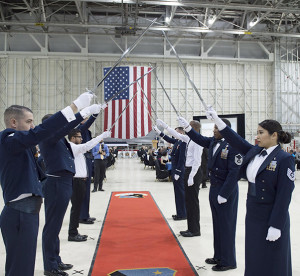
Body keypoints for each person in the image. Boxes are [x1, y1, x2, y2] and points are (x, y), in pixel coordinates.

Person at [0, 92, 93, 276]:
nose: (33, 126)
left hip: (27, 211)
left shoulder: (20, 146)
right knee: (20, 267)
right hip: (19, 212)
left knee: (24, 264)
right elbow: (42, 131)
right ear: (13, 123)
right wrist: (74, 107)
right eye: (28, 122)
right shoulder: (8, 139)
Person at [206, 107, 295, 276]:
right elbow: (236, 140)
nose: (257, 136)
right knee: (254, 254)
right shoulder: (255, 151)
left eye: (261, 133)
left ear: (274, 135)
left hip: (271, 214)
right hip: (253, 212)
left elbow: (284, 196)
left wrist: (276, 225)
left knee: (273, 257)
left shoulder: (284, 159)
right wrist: (218, 120)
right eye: (257, 132)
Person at [40, 103, 104, 276]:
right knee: (52, 227)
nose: (62, 127)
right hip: (57, 183)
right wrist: (84, 111)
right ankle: (50, 266)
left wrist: (92, 117)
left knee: (56, 226)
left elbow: (76, 130)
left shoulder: (59, 139)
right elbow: (69, 126)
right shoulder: (49, 137)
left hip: (64, 182)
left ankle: (56, 260)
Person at [178, 116, 242, 271]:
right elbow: (198, 138)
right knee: (217, 225)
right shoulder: (213, 141)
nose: (213, 130)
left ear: (225, 130)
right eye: (213, 128)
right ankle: (218, 255)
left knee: (226, 226)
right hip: (214, 188)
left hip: (226, 191)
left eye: (216, 128)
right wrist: (187, 127)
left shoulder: (234, 145)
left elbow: (235, 173)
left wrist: (225, 194)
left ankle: (228, 261)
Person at [157, 119, 203, 237]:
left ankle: (195, 230)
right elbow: (176, 135)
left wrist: (192, 176)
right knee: (188, 201)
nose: (186, 128)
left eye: (188, 127)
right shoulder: (189, 139)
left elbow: (197, 161)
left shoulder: (198, 141)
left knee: (193, 202)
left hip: (194, 171)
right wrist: (165, 126)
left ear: (193, 129)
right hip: (188, 171)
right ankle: (190, 228)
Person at [67, 129, 111, 242]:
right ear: (72, 138)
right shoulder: (73, 147)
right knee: (76, 208)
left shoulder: (76, 148)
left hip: (80, 180)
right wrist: (101, 136)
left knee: (77, 207)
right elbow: (87, 146)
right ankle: (72, 233)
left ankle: (74, 231)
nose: (81, 139)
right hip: (76, 181)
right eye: (79, 137)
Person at [153, 125, 187, 221]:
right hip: (175, 171)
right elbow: (167, 138)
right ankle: (179, 212)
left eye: (174, 132)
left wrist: (178, 172)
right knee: (177, 193)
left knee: (181, 193)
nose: (173, 135)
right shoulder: (177, 141)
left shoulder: (183, 142)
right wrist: (159, 132)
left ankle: (183, 214)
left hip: (178, 172)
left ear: (180, 133)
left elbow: (182, 160)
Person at [76, 114, 99, 225]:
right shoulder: (79, 129)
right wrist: (95, 114)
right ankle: (81, 216)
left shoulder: (86, 131)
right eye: (85, 118)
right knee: (82, 189)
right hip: (84, 158)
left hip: (88, 158)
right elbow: (88, 123)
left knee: (86, 190)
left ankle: (85, 215)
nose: (87, 120)